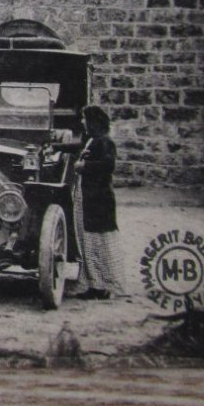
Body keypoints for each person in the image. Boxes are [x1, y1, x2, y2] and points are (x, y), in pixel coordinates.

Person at [73, 105, 125, 301]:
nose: (82, 122)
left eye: (85, 119)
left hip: (99, 201)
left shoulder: (105, 142)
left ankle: (102, 286)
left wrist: (84, 166)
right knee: (90, 243)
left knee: (99, 242)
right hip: (91, 199)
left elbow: (108, 165)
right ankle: (95, 284)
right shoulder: (93, 140)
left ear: (94, 122)